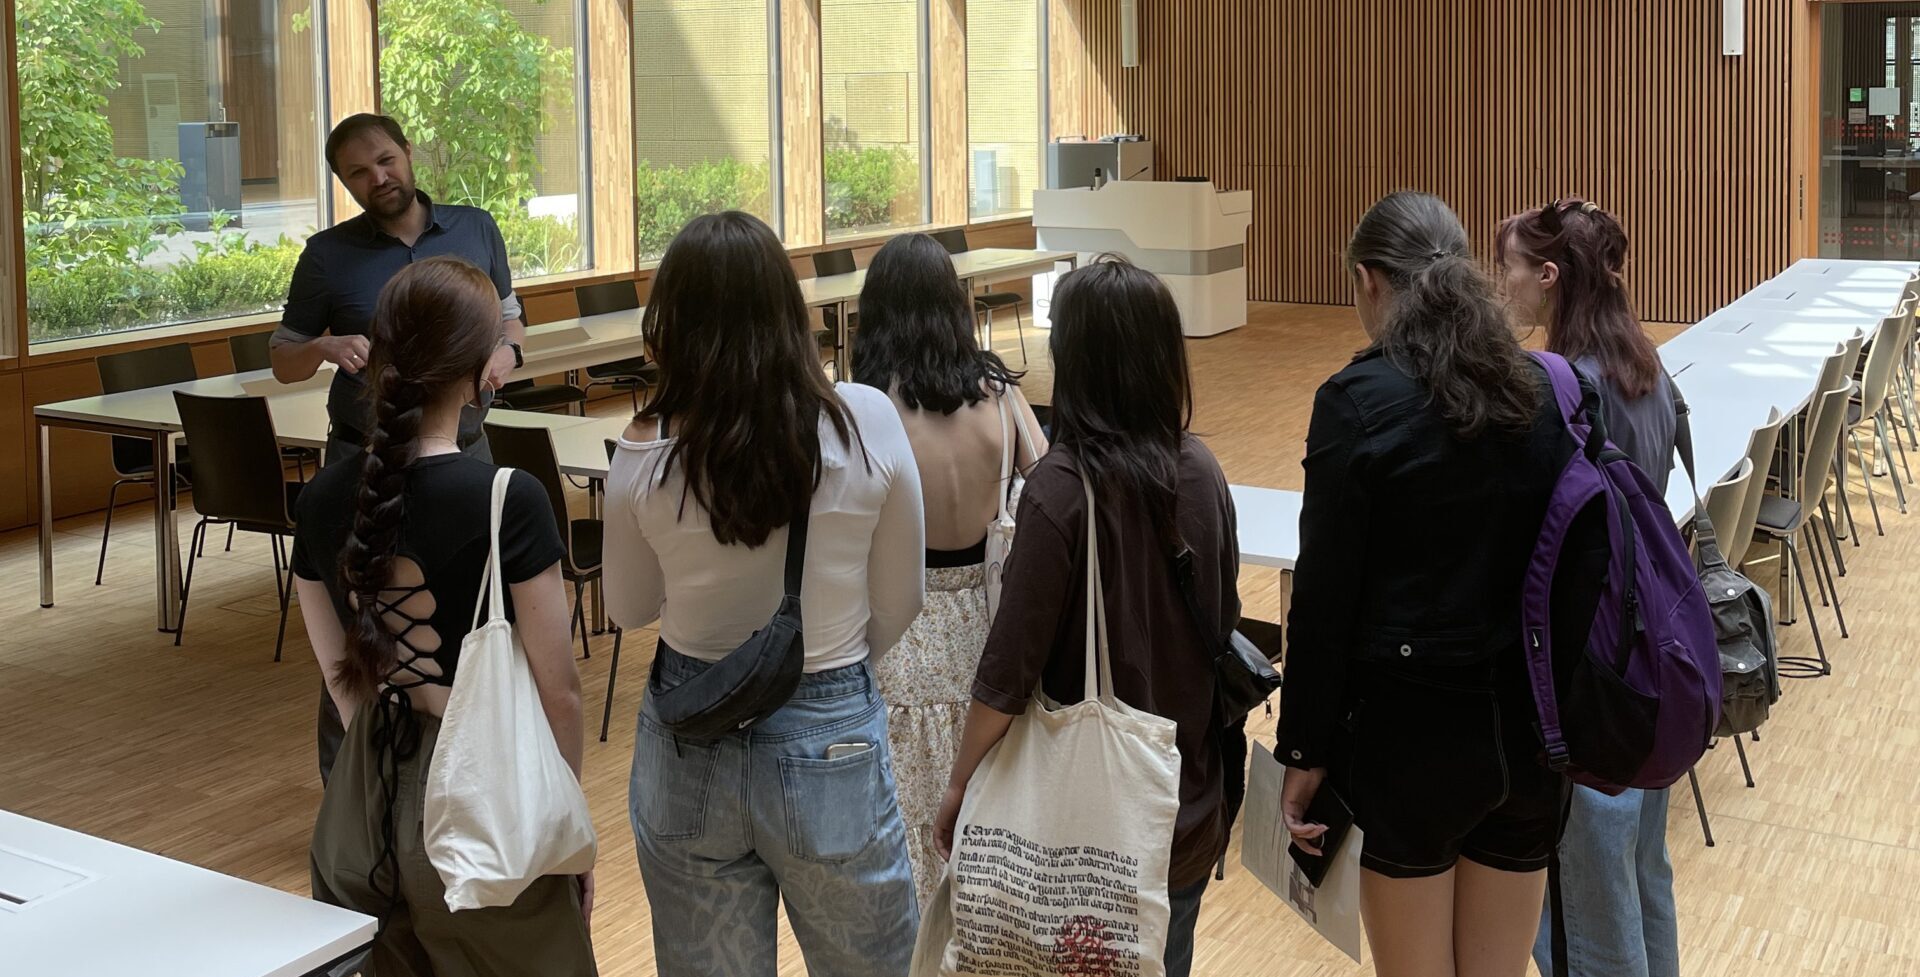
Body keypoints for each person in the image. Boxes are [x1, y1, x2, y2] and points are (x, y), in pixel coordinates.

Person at [603, 212, 925, 976]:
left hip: (689, 731)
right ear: (791, 309)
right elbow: (902, 598)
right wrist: (831, 661)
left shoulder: (645, 451)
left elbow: (629, 609)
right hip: (829, 725)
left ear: (669, 325)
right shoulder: (864, 420)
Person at [1277, 191, 1572, 977]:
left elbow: (1324, 601)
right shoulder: (1544, 391)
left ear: (1371, 281)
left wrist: (1302, 745)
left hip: (1410, 745)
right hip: (1529, 737)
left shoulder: (1356, 402)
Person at [289, 256, 595, 976]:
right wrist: (562, 821)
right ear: (478, 367)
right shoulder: (506, 498)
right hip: (483, 807)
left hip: (362, 811)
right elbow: (561, 691)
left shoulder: (324, 500)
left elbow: (344, 681)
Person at [933, 257, 1239, 977]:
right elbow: (1221, 624)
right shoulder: (1202, 470)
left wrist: (958, 784)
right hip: (1180, 805)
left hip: (1083, 834)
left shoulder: (1062, 489)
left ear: (1073, 360)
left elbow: (1008, 672)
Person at [273, 112, 528, 781]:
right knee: (355, 623)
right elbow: (281, 358)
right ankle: (351, 787)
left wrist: (506, 346)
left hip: (464, 448)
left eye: (384, 159)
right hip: (363, 459)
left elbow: (511, 313)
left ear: (408, 152)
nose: (377, 177)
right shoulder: (327, 256)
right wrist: (323, 347)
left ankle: (468, 776)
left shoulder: (477, 227)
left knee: (478, 615)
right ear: (343, 182)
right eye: (357, 172)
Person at [1500, 198, 1686, 977]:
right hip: (1652, 661)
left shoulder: (1560, 389)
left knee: (1591, 912)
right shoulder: (1652, 368)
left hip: (1590, 678)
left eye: (1505, 265)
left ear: (1548, 277)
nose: (1497, 282)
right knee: (1645, 882)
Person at [850, 232, 1048, 910]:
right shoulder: (1000, 396)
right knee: (989, 855)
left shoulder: (868, 406)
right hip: (991, 637)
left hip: (895, 635)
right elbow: (1053, 497)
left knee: (905, 856)